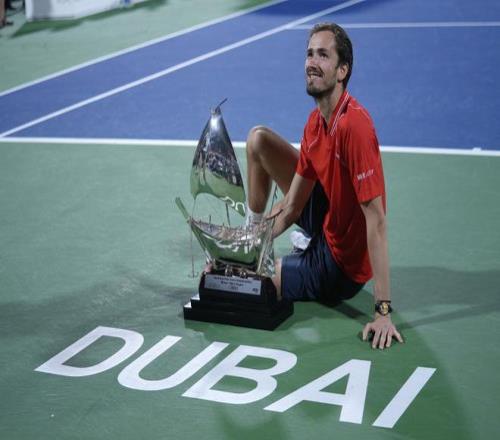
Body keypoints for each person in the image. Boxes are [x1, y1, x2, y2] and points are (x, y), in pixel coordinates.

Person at [245, 23, 403, 350]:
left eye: (323, 55)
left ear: (342, 71)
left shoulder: (354, 127)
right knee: (258, 139)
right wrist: (249, 245)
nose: (312, 63)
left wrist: (383, 312)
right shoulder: (315, 124)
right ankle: (252, 241)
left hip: (340, 266)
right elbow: (292, 207)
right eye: (309, 54)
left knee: (253, 282)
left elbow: (377, 222)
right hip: (329, 215)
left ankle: (287, 258)